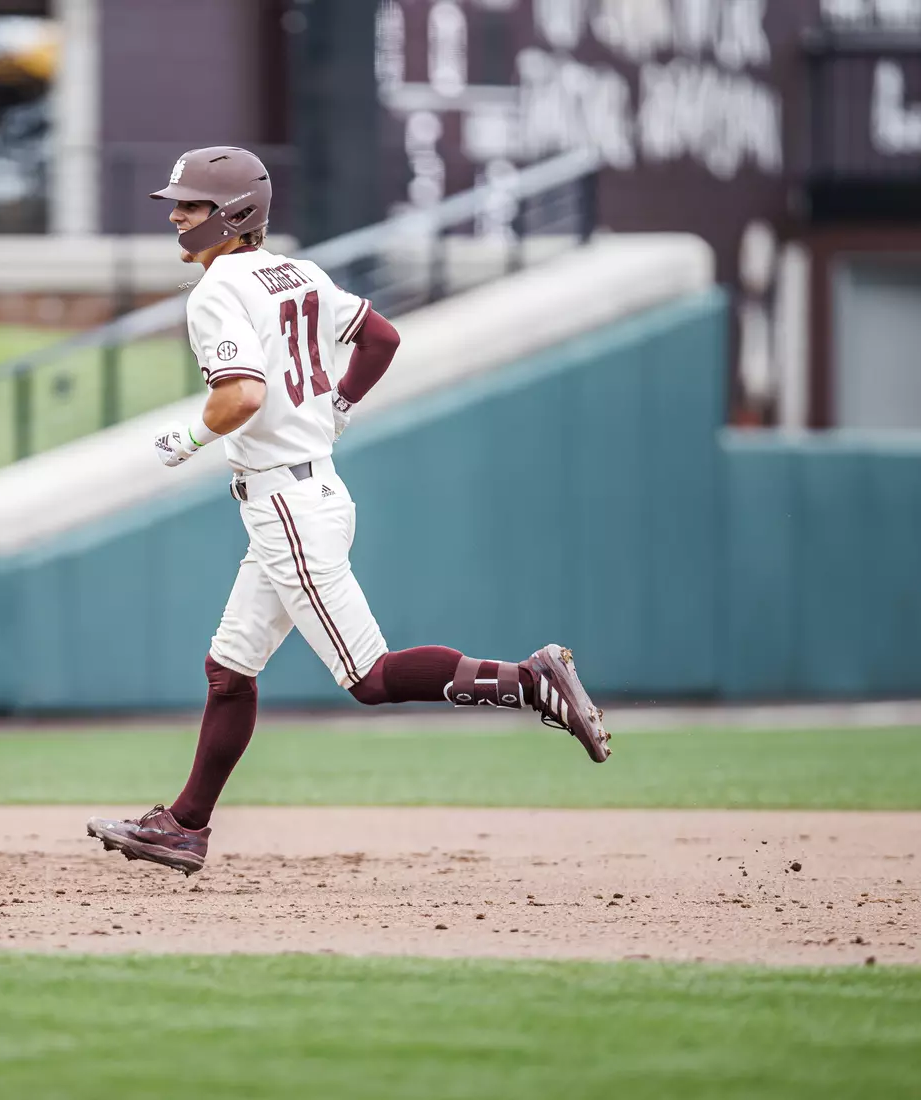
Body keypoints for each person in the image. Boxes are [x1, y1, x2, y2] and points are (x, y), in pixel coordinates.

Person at [87, 147, 609, 876]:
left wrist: (188, 436)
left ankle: (530, 680)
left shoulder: (214, 292)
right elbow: (380, 337)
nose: (175, 215)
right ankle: (184, 825)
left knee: (367, 676)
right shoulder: (299, 271)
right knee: (228, 669)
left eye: (192, 204)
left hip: (287, 504)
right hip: (307, 489)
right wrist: (336, 404)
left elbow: (240, 397)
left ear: (232, 213)